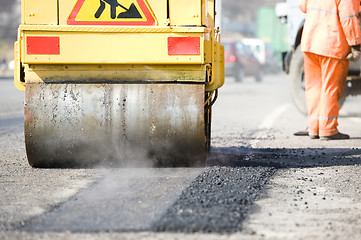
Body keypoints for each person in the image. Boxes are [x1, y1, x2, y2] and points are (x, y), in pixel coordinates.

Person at [298, 0, 361, 140]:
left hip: (310, 42)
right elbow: (348, 17)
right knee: (331, 87)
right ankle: (328, 129)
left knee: (314, 87)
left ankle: (314, 128)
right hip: (332, 44)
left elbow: (302, 6)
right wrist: (355, 44)